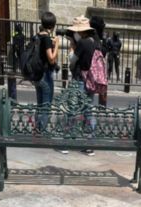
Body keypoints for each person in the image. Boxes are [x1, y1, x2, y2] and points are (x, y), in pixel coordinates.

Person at [66, 16, 98, 155]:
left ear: (80, 31)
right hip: (91, 80)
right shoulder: (95, 42)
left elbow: (72, 61)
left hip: (80, 79)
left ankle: (67, 141)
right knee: (88, 110)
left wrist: (72, 49)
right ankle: (89, 143)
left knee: (72, 108)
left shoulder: (82, 43)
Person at [34, 12, 59, 138]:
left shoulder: (36, 36)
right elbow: (51, 59)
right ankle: (42, 132)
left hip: (37, 75)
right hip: (45, 75)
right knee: (46, 105)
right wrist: (57, 45)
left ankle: (37, 128)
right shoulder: (47, 39)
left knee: (40, 104)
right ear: (53, 26)